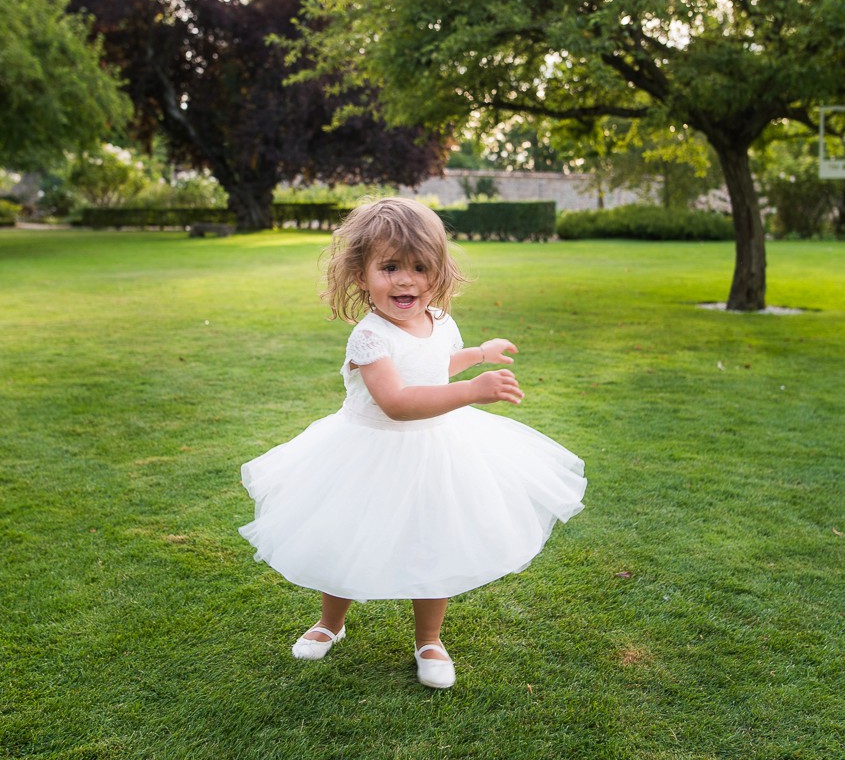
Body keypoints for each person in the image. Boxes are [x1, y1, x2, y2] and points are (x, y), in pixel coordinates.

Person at [239, 197, 586, 689]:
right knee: (348, 535)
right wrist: (472, 391)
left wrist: (476, 355)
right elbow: (397, 401)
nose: (406, 280)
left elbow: (432, 366)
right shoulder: (368, 338)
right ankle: (331, 623)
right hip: (368, 452)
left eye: (420, 267)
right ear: (361, 275)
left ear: (438, 273)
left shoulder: (440, 320)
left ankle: (429, 639)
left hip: (437, 450)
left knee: (433, 538)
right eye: (390, 267)